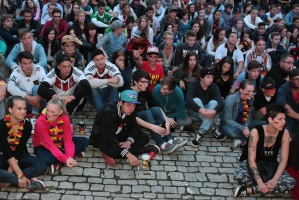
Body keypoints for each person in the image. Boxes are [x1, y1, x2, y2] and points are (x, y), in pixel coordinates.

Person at [233, 103, 295, 197]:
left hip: (271, 166)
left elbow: (283, 160)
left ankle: (248, 190)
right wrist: (259, 181)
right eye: (280, 119)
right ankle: (266, 187)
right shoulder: (256, 131)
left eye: (284, 119)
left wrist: (274, 179)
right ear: (270, 119)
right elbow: (251, 159)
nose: (284, 122)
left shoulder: (285, 133)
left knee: (291, 183)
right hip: (253, 164)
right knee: (239, 177)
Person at [89, 90, 160, 167]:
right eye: (128, 105)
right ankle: (142, 149)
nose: (131, 108)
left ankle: (114, 150)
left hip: (118, 133)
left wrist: (129, 141)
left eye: (133, 105)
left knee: (144, 137)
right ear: (121, 103)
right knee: (113, 152)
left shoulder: (130, 110)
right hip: (102, 137)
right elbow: (109, 138)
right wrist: (128, 155)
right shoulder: (108, 112)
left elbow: (134, 127)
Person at [131, 70, 187, 154]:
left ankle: (170, 140)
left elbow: (156, 107)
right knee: (147, 112)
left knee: (155, 109)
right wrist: (153, 127)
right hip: (132, 121)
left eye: (147, 82)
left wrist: (166, 122)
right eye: (143, 82)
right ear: (135, 81)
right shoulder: (128, 93)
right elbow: (131, 117)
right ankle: (161, 144)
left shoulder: (145, 91)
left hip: (144, 119)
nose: (146, 85)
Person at [0, 96, 47, 190]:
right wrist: (20, 175)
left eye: (25, 108)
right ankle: (29, 182)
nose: (23, 111)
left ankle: (10, 178)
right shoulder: (1, 125)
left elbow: (19, 150)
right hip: (2, 157)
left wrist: (14, 174)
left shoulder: (27, 125)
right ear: (10, 109)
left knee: (41, 166)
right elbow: (6, 152)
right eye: (19, 108)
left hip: (19, 156)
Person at [33, 98, 88, 174]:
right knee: (48, 159)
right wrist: (66, 159)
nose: (49, 114)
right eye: (47, 110)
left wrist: (70, 157)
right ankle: (66, 156)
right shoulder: (40, 122)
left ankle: (59, 163)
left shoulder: (65, 118)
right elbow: (49, 145)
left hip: (59, 142)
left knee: (84, 141)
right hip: (43, 145)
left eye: (53, 112)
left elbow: (68, 140)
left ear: (60, 112)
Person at [7, 51, 46, 132]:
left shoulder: (39, 69)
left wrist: (38, 98)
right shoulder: (16, 72)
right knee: (16, 92)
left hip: (39, 102)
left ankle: (33, 118)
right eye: (25, 63)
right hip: (25, 102)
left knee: (37, 88)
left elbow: (45, 87)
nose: (28, 66)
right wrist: (26, 96)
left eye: (30, 63)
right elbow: (10, 87)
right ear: (19, 63)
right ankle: (23, 119)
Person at [186, 67, 226, 147]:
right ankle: (212, 127)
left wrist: (214, 112)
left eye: (212, 77)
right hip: (195, 114)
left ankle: (201, 133)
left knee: (214, 102)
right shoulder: (193, 85)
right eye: (208, 77)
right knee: (196, 100)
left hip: (207, 112)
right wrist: (201, 110)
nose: (210, 79)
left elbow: (220, 103)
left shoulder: (213, 86)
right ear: (201, 77)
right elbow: (188, 100)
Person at [220, 80, 254, 149]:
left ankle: (240, 140)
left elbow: (248, 116)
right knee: (232, 132)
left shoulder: (251, 98)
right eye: (248, 91)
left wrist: (246, 126)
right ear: (241, 90)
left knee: (264, 124)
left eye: (253, 91)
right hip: (229, 124)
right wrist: (242, 128)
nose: (251, 94)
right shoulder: (231, 99)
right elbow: (227, 119)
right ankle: (250, 138)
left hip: (242, 122)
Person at [276, 68, 299, 135]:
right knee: (286, 121)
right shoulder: (283, 88)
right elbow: (282, 104)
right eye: (296, 79)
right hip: (286, 117)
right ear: (290, 80)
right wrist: (297, 116)